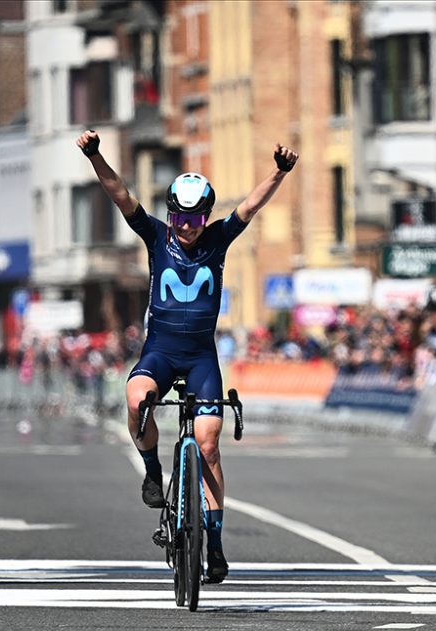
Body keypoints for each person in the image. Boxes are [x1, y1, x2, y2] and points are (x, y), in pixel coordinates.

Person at [76, 129, 298, 584]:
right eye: (180, 216)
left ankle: (214, 546)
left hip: (200, 358)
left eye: (196, 218)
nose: (187, 226)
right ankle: (154, 471)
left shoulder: (218, 240)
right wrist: (96, 156)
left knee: (211, 443)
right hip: (159, 351)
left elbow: (251, 206)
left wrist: (278, 171)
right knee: (138, 401)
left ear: (206, 216)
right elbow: (121, 194)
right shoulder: (156, 237)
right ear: (171, 213)